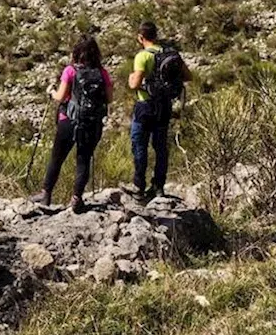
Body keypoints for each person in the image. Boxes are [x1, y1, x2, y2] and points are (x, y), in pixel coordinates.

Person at [32, 35, 113, 213]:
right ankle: (76, 198)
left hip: (68, 121)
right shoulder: (102, 73)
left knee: (57, 157)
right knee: (83, 160)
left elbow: (61, 97)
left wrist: (51, 91)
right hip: (92, 123)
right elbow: (110, 98)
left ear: (76, 52)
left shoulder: (70, 71)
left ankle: (46, 194)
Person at [126, 21, 191, 199]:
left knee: (139, 144)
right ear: (156, 35)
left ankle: (139, 186)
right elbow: (188, 76)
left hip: (145, 106)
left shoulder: (143, 56)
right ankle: (159, 186)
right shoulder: (171, 53)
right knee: (161, 147)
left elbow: (134, 84)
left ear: (141, 37)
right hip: (164, 106)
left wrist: (132, 78)